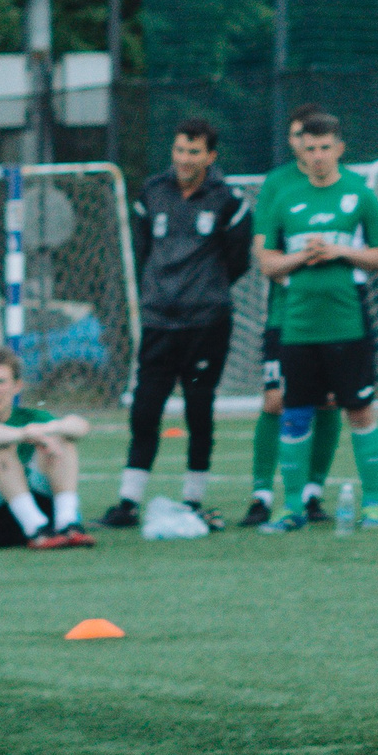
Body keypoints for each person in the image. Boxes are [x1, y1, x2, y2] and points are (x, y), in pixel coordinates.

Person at [101, 117, 254, 530]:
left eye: (194, 152)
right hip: (158, 322)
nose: (184, 159)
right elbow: (142, 248)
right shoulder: (152, 190)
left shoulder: (228, 199)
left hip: (206, 323)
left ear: (211, 156)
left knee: (199, 410)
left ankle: (192, 499)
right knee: (145, 411)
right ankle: (128, 502)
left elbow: (237, 261)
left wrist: (204, 289)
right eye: (179, 150)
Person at [253, 113, 378, 532]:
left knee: (359, 411)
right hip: (297, 328)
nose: (317, 156)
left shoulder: (360, 196)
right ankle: (291, 505)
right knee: (295, 413)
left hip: (348, 325)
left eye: (325, 148)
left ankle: (372, 504)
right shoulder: (285, 200)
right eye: (310, 148)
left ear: (339, 149)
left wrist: (337, 252)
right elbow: (267, 263)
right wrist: (304, 257)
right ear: (300, 150)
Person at [244, 104, 350, 527]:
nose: (307, 150)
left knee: (328, 402)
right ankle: (261, 494)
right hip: (286, 316)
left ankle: (311, 493)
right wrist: (298, 261)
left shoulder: (348, 186)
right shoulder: (278, 184)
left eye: (317, 143)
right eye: (298, 140)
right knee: (275, 401)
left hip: (335, 315)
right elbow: (263, 250)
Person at [0, 346, 93, 550]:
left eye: (0, 382)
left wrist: (48, 430)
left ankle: (68, 524)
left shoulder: (31, 418)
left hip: (42, 511)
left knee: (62, 439)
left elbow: (80, 427)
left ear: (17, 386)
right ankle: (35, 529)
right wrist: (24, 434)